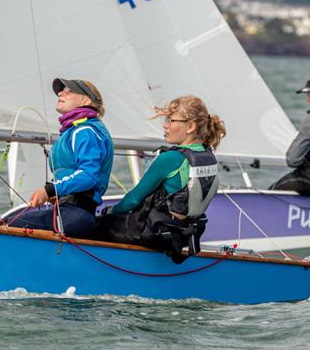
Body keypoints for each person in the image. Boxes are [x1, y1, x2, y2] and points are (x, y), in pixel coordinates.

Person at [96, 96, 226, 263]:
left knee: (97, 224)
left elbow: (134, 199)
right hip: (186, 235)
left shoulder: (170, 158)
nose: (165, 125)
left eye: (170, 120)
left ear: (191, 127)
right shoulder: (208, 156)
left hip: (157, 234)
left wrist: (109, 211)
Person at [6, 78, 113, 238]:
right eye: (61, 91)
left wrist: (50, 189)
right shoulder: (74, 131)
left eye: (69, 91)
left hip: (76, 214)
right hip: (69, 211)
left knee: (10, 225)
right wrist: (58, 195)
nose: (61, 93)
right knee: (12, 223)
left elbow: (88, 175)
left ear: (85, 100)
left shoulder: (85, 131)